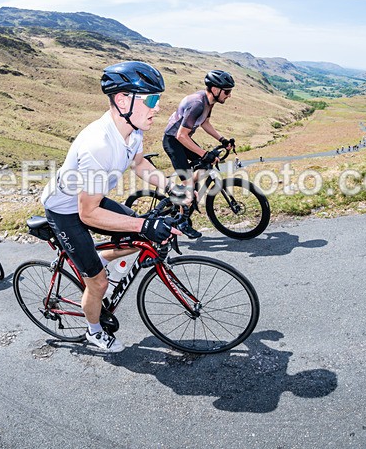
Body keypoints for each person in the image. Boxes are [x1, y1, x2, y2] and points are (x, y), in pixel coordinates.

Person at [41, 61, 179, 353]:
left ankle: (98, 259)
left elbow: (139, 163)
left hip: (91, 197)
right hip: (66, 210)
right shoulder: (99, 144)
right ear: (122, 100)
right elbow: (87, 213)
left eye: (159, 99)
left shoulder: (133, 129)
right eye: (152, 100)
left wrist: (169, 185)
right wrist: (145, 224)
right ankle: (93, 331)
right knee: (100, 283)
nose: (157, 107)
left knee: (140, 239)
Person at [162, 69, 236, 238]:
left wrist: (222, 140)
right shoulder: (197, 103)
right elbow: (180, 135)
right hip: (174, 141)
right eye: (227, 91)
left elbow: (205, 122)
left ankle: (182, 189)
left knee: (207, 165)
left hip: (184, 139)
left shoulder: (209, 102)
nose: (229, 95)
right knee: (190, 180)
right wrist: (204, 153)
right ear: (216, 90)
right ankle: (182, 221)